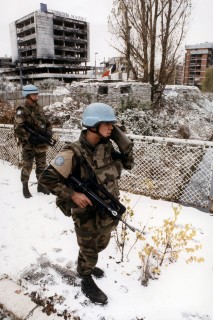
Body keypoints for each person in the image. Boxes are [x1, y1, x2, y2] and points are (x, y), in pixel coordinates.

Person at [39, 102, 134, 304]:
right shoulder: (73, 153)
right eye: (108, 124)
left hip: (106, 209)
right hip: (86, 214)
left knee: (102, 243)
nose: (112, 128)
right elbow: (45, 179)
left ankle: (86, 262)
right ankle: (85, 276)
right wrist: (72, 194)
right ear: (93, 125)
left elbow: (129, 163)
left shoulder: (106, 148)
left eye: (113, 125)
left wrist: (122, 141)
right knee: (90, 250)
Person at [14, 84, 52, 198]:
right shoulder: (22, 110)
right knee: (27, 166)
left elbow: (47, 122)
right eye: (34, 94)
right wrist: (29, 137)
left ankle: (41, 186)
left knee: (42, 166)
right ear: (28, 95)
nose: (37, 96)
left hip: (41, 143)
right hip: (29, 145)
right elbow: (18, 128)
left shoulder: (38, 107)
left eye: (37, 94)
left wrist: (49, 131)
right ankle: (25, 187)